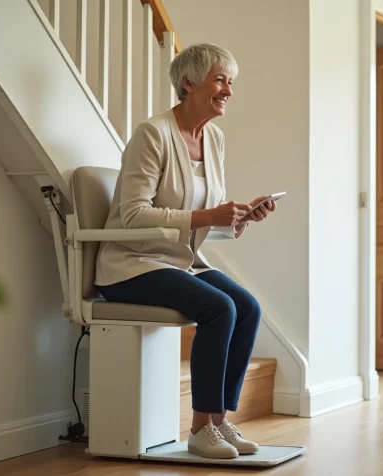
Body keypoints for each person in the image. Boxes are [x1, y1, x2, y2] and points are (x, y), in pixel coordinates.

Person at [94, 43, 277, 459]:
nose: (228, 90)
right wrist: (209, 215)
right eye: (220, 79)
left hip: (180, 261)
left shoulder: (214, 139)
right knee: (220, 308)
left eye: (231, 82)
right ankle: (198, 429)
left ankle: (218, 420)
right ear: (189, 83)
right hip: (131, 263)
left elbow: (206, 220)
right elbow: (134, 214)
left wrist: (242, 217)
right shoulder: (152, 134)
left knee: (247, 307)